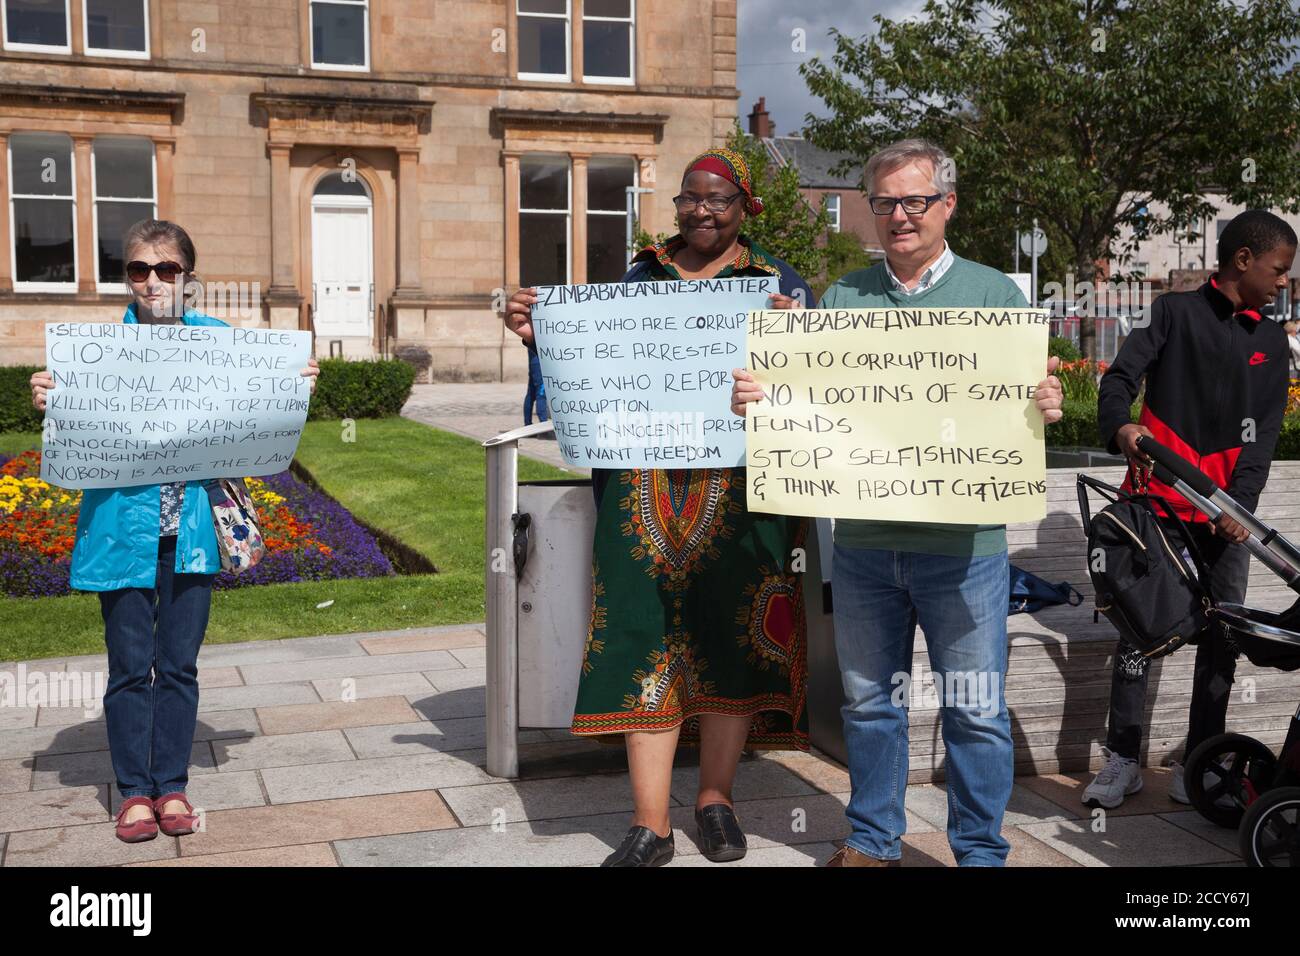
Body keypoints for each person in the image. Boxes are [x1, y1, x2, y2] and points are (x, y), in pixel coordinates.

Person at [733, 138, 1063, 866]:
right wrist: (763, 396)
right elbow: (810, 408)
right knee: (871, 708)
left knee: (975, 712)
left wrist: (1045, 401)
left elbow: (1023, 402)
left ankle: (979, 852)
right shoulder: (844, 297)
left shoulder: (995, 296)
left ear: (947, 204)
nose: (899, 217)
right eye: (884, 203)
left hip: (965, 552)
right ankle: (874, 842)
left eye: (915, 201)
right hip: (864, 550)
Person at [505, 148, 814, 867]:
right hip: (641, 486)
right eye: (690, 198)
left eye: (719, 200)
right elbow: (587, 370)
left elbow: (812, 390)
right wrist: (541, 338)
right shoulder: (638, 279)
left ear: (746, 208)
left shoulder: (777, 285)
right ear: (676, 204)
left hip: (739, 494)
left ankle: (716, 800)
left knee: (729, 633)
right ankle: (651, 823)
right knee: (640, 633)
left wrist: (795, 344)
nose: (702, 210)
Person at [28, 219, 320, 843]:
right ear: (126, 278)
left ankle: (174, 785)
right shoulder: (91, 353)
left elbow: (255, 425)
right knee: (130, 666)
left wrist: (293, 387)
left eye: (167, 269)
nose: (153, 280)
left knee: (179, 666)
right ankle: (135, 793)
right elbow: (74, 443)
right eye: (139, 269)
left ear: (190, 279)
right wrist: (54, 398)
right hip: (120, 531)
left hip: (192, 532)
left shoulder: (221, 342)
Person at [1083, 210, 1295, 809]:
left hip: (1227, 518)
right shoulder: (1170, 313)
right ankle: (1122, 759)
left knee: (1221, 638)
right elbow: (1117, 380)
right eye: (1279, 270)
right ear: (1243, 260)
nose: (1284, 282)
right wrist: (1121, 427)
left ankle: (1199, 761)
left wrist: (1241, 509)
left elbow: (1264, 438)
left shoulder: (1272, 340)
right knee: (1136, 632)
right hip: (1155, 506)